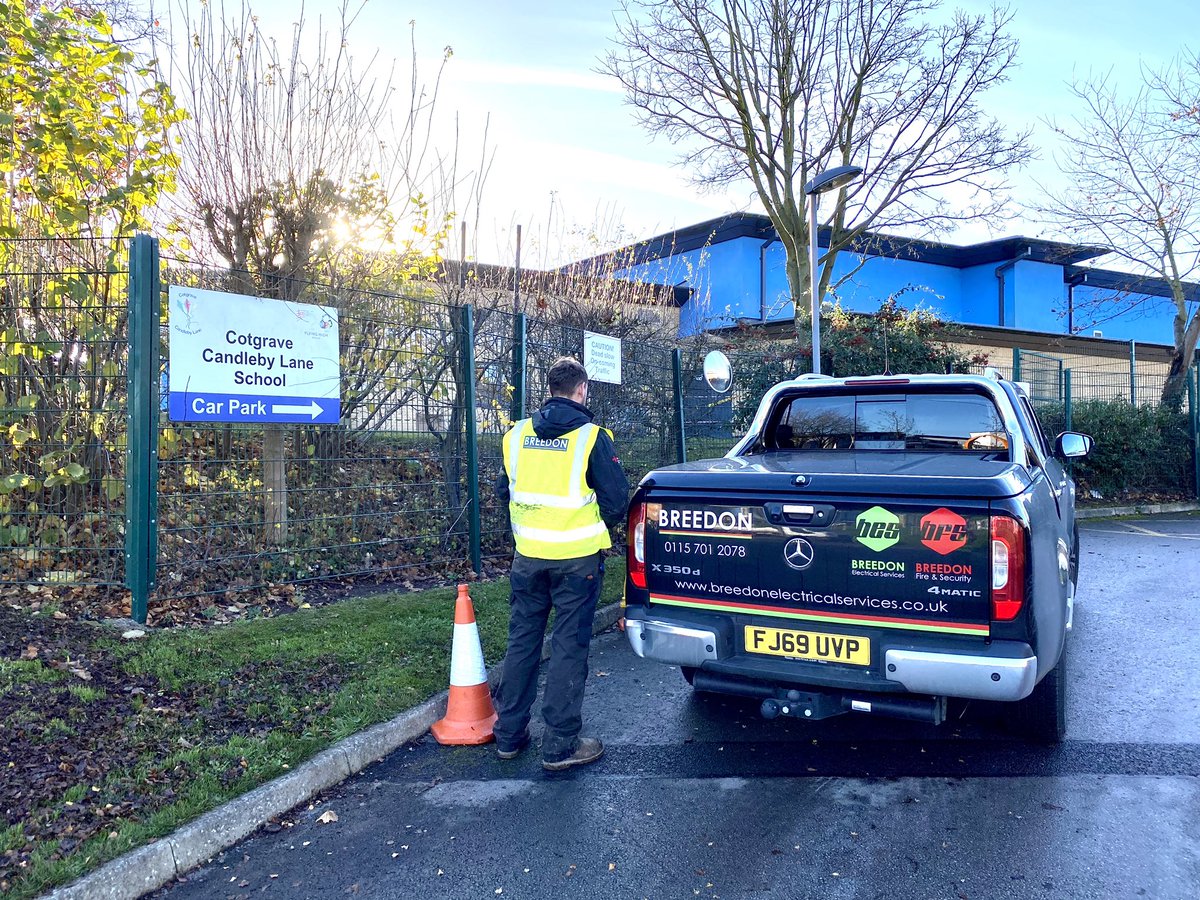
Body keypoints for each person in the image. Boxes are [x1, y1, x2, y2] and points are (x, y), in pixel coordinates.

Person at [493, 356, 629, 771]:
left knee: (522, 642)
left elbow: (505, 491)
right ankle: (560, 745)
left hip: (528, 558)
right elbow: (617, 502)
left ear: (550, 388)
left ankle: (509, 736)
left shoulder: (516, 435)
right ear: (582, 389)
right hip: (577, 562)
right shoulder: (592, 438)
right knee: (569, 646)